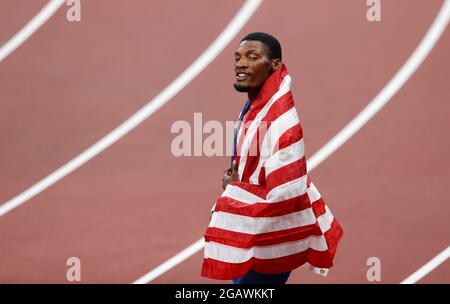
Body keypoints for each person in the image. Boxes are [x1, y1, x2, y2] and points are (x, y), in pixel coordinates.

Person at [201, 32, 343, 284]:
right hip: (254, 230)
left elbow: (286, 194)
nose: (241, 63)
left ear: (274, 64)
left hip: (269, 237)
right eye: (238, 57)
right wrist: (236, 183)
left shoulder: (281, 123)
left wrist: (234, 194)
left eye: (252, 57)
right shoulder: (257, 107)